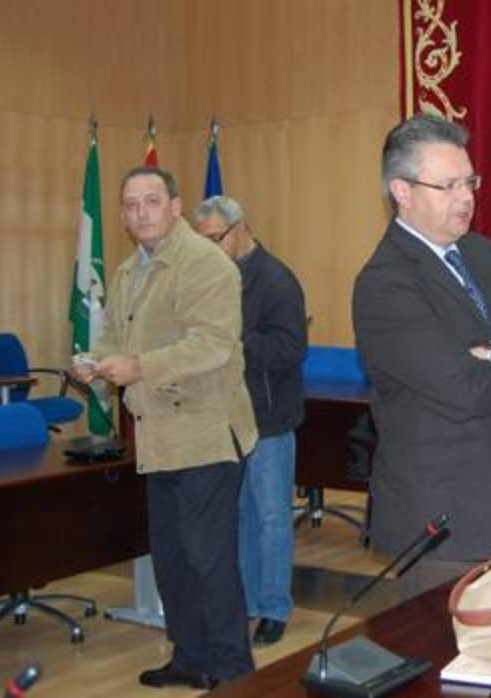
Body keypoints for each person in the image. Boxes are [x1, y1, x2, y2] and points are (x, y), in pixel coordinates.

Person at [352, 114, 491, 599]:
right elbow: (463, 388)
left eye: (468, 181)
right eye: (446, 186)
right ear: (401, 192)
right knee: (444, 664)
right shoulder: (385, 283)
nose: (466, 197)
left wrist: (490, 350)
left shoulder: (479, 252)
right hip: (441, 521)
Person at [73, 166, 257, 689]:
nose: (140, 214)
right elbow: (113, 337)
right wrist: (98, 362)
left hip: (205, 435)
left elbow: (212, 345)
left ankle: (233, 671)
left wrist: (139, 367)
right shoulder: (130, 270)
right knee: (172, 557)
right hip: (157, 438)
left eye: (151, 202)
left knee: (210, 560)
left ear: (176, 207)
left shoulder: (206, 264)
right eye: (130, 205)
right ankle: (190, 656)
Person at [194, 195, 307, 646]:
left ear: (240, 228)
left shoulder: (277, 280)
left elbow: (290, 349)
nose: (208, 248)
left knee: (272, 517)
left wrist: (234, 342)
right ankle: (245, 602)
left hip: (269, 419)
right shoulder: (212, 279)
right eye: (200, 241)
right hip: (224, 417)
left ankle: (275, 607)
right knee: (237, 516)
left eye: (215, 238)